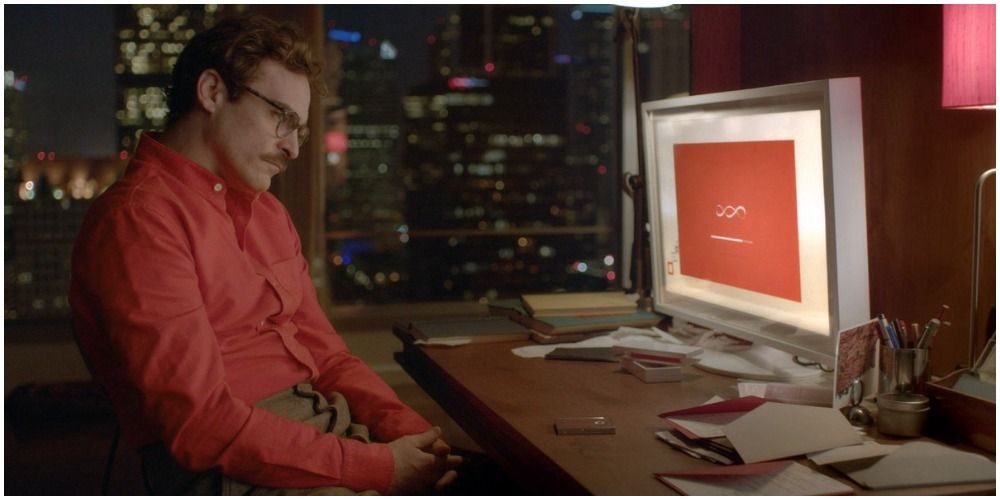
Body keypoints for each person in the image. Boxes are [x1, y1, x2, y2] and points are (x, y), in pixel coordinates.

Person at [70, 14, 461, 495]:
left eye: (301, 129)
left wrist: (412, 436)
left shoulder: (269, 214)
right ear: (213, 92)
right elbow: (200, 425)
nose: (294, 149)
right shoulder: (138, 219)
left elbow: (331, 358)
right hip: (228, 470)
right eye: (283, 118)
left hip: (320, 428)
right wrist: (377, 468)